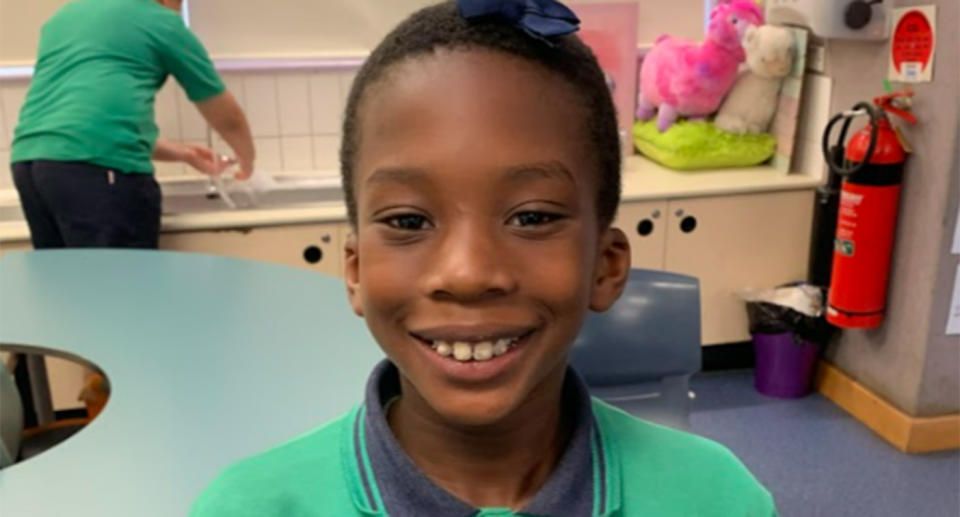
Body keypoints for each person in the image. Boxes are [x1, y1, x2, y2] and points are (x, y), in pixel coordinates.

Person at [191, 2, 778, 515]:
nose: (468, 274)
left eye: (532, 217)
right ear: (355, 271)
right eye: (408, 222)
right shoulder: (250, 508)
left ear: (607, 264)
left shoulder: (719, 500)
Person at [9, 0, 255, 249]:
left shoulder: (65, 17)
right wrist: (248, 160)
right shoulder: (160, 22)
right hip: (94, 170)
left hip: (29, 163)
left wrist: (185, 154)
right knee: (123, 283)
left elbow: (88, 126)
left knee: (67, 282)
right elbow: (226, 115)